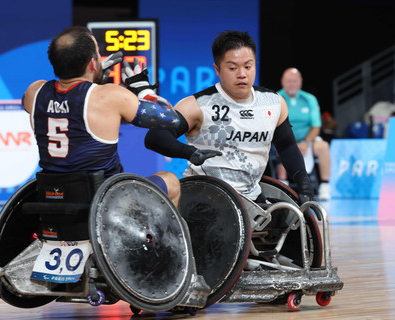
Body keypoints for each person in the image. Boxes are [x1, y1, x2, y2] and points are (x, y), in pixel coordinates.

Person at [139, 30, 315, 205]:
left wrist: (305, 188)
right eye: (232, 68)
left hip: (252, 196)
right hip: (205, 196)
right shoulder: (197, 105)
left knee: (292, 223)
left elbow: (287, 147)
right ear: (217, 69)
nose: (242, 74)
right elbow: (154, 137)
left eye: (248, 66)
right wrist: (190, 153)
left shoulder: (274, 102)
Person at [22, 26, 189, 206]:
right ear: (93, 63)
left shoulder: (34, 92)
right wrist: (143, 89)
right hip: (106, 202)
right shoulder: (110, 96)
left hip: (53, 199)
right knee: (170, 180)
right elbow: (170, 117)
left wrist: (92, 78)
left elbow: (67, 98)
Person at [277, 67, 331, 200]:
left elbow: (316, 126)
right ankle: (283, 184)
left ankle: (325, 185)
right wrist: (290, 142)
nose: (292, 84)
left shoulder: (310, 99)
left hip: (307, 140)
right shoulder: (276, 98)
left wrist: (306, 142)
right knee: (280, 146)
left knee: (323, 147)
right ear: (282, 82)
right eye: (289, 81)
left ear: (300, 82)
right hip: (284, 139)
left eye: (295, 81)